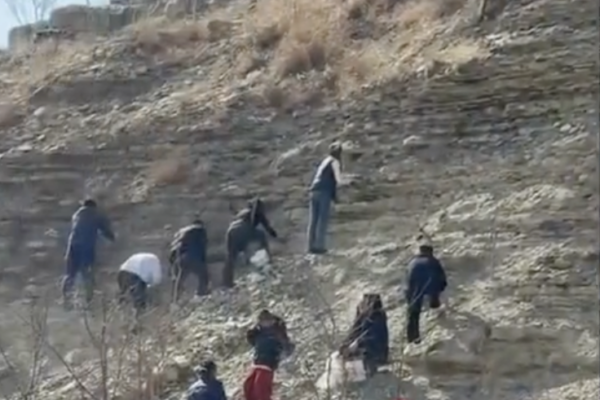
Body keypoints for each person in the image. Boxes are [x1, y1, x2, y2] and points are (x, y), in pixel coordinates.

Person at [62, 198, 115, 310]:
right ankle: (89, 302)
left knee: (70, 275)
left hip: (72, 248)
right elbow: (106, 230)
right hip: (86, 247)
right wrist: (112, 238)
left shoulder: (76, 215)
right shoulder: (95, 214)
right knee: (88, 274)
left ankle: (66, 300)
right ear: (94, 206)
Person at [224, 198, 278, 288]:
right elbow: (266, 225)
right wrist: (274, 234)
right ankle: (267, 266)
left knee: (231, 256)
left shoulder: (244, 212)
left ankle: (227, 282)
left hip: (232, 231)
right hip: (243, 229)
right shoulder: (257, 213)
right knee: (260, 244)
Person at [243, 310, 294, 400]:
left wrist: (280, 356)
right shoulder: (259, 332)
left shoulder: (277, 332)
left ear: (271, 321)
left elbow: (287, 346)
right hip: (256, 364)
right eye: (261, 321)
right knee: (248, 387)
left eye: (266, 321)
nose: (264, 324)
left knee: (260, 391)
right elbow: (250, 337)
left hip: (267, 366)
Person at [405, 243, 447, 344]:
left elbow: (407, 281)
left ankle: (413, 339)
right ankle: (435, 310)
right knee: (434, 295)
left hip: (414, 288)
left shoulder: (412, 262)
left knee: (413, 313)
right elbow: (442, 278)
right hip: (430, 285)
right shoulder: (433, 261)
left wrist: (409, 297)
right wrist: (441, 288)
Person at [307, 142, 344, 255]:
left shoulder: (325, 161)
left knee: (313, 220)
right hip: (324, 192)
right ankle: (319, 246)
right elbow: (338, 180)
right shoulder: (334, 162)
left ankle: (310, 246)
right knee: (322, 220)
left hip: (314, 190)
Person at [340, 293, 389, 377]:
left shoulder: (377, 317)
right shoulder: (362, 317)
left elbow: (373, 340)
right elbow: (354, 332)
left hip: (374, 355)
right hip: (365, 352)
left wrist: (357, 344)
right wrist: (345, 346)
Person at [169, 218, 209, 302]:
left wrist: (173, 264)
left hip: (181, 258)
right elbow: (203, 247)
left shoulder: (182, 232)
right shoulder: (200, 230)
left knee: (180, 279)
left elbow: (174, 248)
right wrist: (204, 261)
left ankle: (176, 299)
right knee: (204, 276)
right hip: (194, 257)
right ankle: (200, 295)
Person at [117, 252, 163, 317]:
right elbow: (157, 279)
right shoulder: (156, 262)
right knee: (139, 300)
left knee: (123, 295)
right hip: (135, 274)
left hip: (122, 271)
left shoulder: (150, 258)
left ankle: (118, 313)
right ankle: (139, 318)